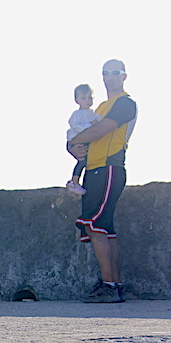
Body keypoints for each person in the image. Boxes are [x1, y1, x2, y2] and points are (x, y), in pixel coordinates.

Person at [67, 60, 137, 303]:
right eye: (105, 73)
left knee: (94, 225)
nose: (110, 77)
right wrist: (77, 147)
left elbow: (98, 132)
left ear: (124, 76)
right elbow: (89, 137)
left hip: (108, 168)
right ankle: (114, 284)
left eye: (115, 72)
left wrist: (71, 143)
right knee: (106, 229)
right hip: (96, 169)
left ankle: (109, 286)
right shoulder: (103, 106)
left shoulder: (125, 103)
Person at [64, 84, 99, 194]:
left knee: (88, 160)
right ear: (77, 100)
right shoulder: (77, 114)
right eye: (84, 98)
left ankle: (80, 182)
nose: (87, 101)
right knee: (82, 161)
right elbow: (76, 127)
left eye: (90, 97)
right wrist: (90, 124)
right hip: (77, 140)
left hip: (88, 141)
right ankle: (74, 183)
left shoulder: (94, 113)